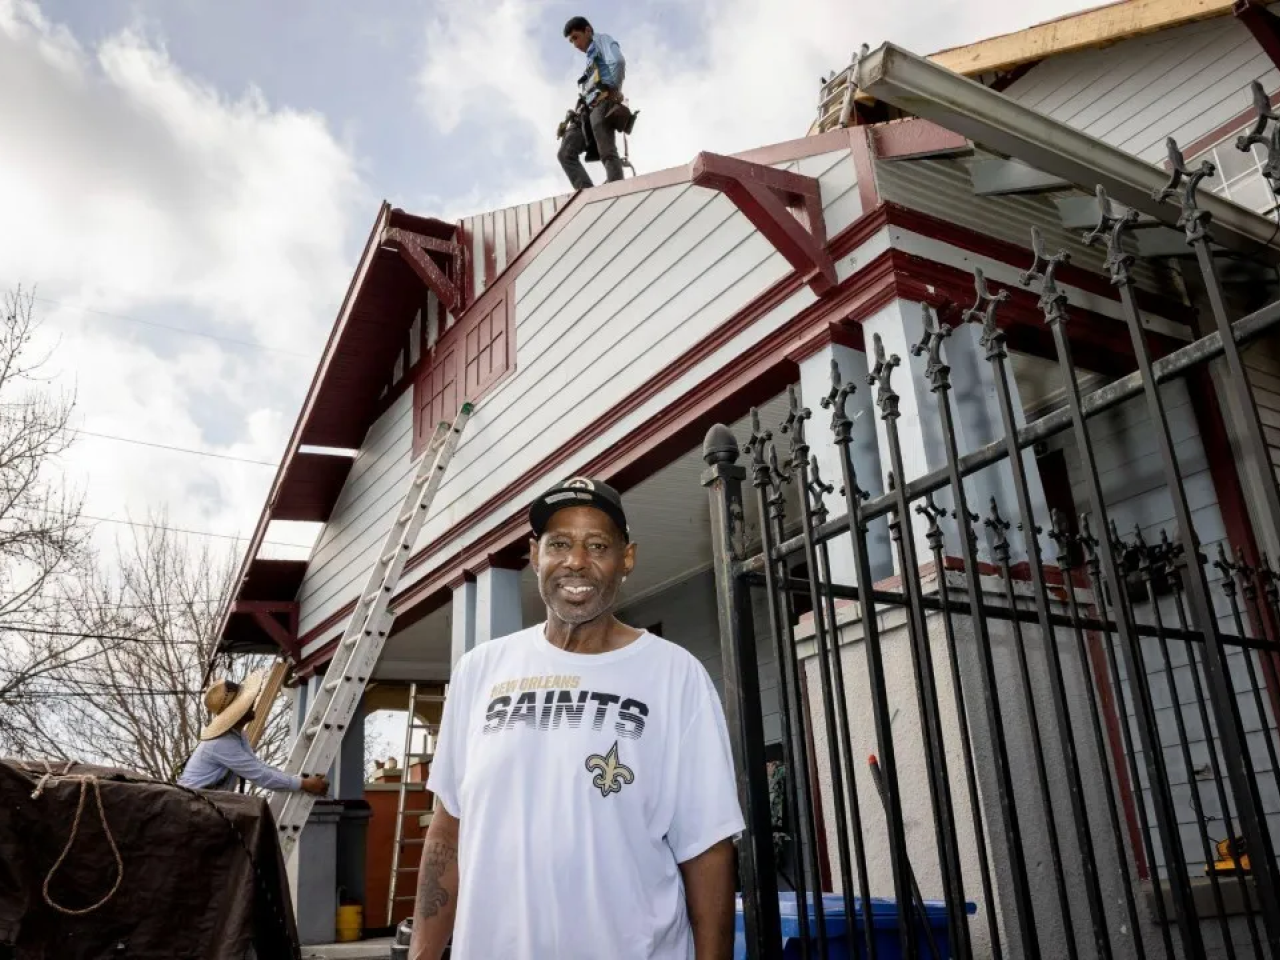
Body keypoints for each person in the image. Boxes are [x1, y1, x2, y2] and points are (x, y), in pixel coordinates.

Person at [410, 477, 743, 960]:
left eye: (598, 545)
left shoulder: (674, 675)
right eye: (559, 544)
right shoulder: (480, 671)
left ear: (626, 558)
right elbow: (447, 830)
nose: (576, 562)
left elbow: (708, 849)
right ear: (534, 554)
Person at [178, 670, 328, 797]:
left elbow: (258, 766)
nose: (252, 704)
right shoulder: (221, 743)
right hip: (193, 807)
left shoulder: (236, 735)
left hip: (205, 804)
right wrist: (302, 784)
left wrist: (298, 780)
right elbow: (259, 774)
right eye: (245, 703)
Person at [558, 16, 627, 190]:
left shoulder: (602, 40)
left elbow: (618, 61)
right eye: (571, 40)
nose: (575, 44)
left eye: (576, 37)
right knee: (566, 154)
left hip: (602, 102)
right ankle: (587, 193)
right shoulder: (590, 60)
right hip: (585, 111)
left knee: (607, 151)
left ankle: (616, 187)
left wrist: (614, 89)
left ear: (588, 30)